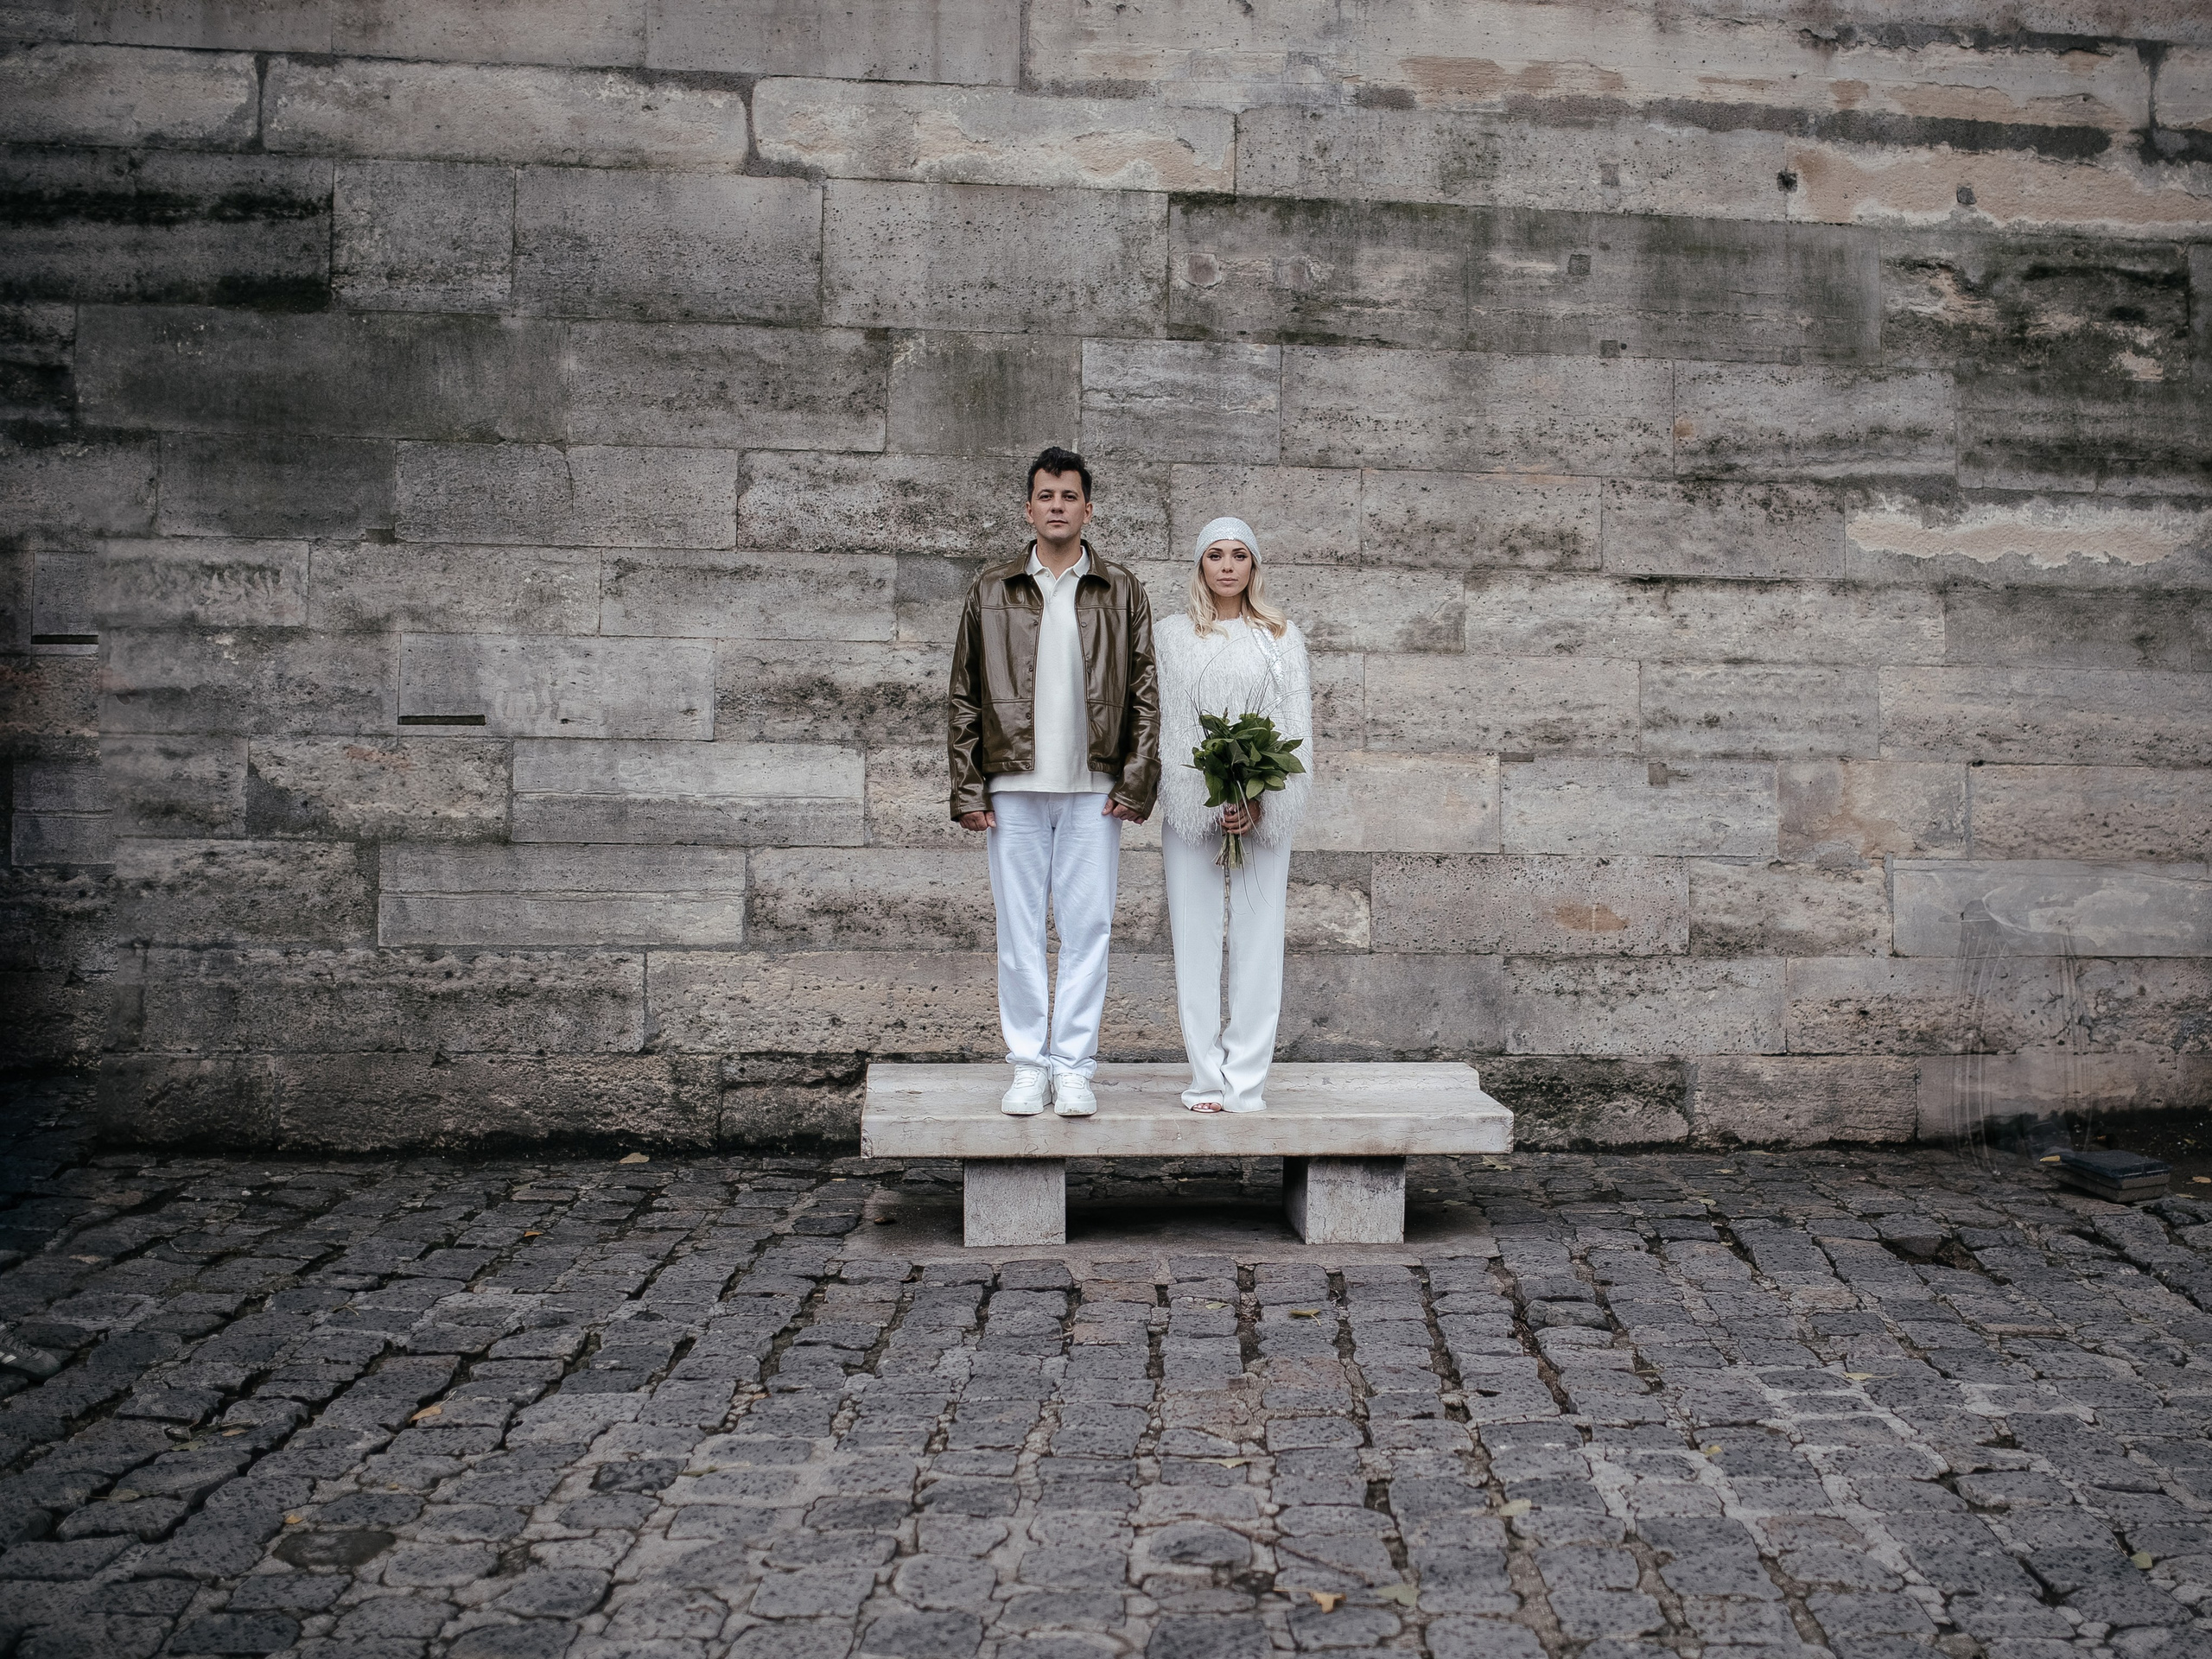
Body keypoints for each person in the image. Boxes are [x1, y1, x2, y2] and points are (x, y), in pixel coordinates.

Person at [948, 447, 1160, 1119]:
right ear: (1030, 507)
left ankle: (1073, 1067)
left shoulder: (1122, 589)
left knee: (1088, 927)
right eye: (1046, 496)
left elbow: (1148, 693)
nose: (1058, 506)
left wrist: (1135, 780)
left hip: (1094, 787)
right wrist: (968, 787)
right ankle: (1026, 1065)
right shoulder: (990, 588)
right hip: (1012, 784)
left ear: (1088, 508)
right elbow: (963, 695)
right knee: (1018, 932)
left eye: (1070, 496)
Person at [1155, 517, 1313, 1114]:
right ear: (1200, 565)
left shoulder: (1279, 635)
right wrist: (1209, 790)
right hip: (1195, 801)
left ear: (1253, 566)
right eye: (1215, 555)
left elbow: (1294, 723)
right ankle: (1205, 1078)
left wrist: (1259, 796)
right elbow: (1170, 722)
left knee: (1258, 937)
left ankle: (1246, 1081)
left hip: (1262, 805)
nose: (1226, 565)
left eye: (1238, 555)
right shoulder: (1172, 635)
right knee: (1194, 938)